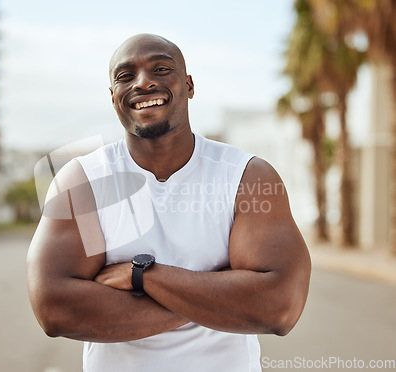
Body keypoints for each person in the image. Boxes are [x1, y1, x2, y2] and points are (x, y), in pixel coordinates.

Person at [27, 33, 311, 372]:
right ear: (113, 95)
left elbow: (279, 307)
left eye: (161, 69)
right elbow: (56, 309)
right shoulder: (84, 181)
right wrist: (222, 297)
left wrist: (142, 276)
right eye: (125, 76)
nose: (143, 83)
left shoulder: (246, 177)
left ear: (189, 85)